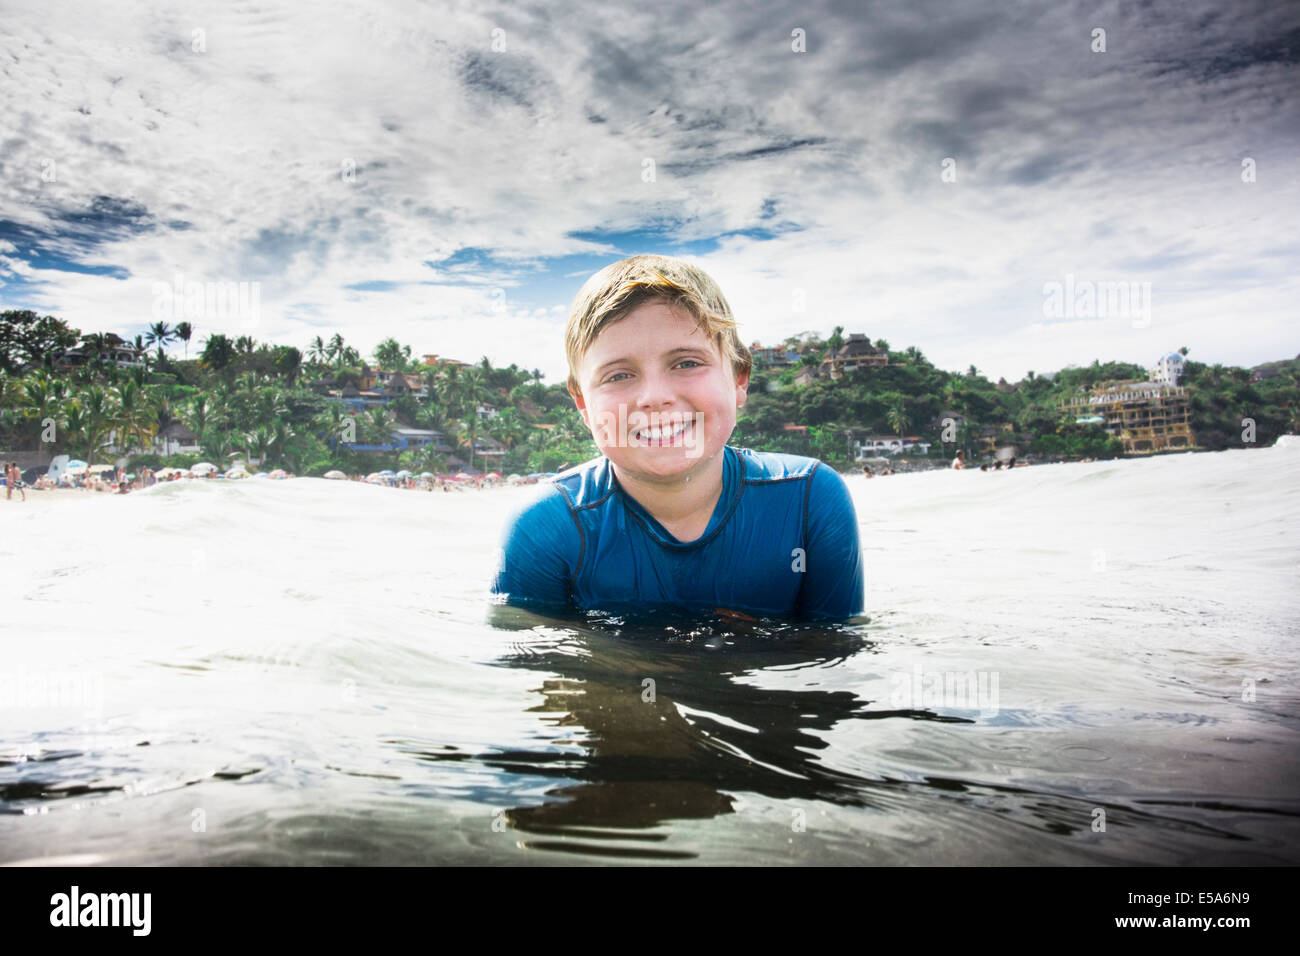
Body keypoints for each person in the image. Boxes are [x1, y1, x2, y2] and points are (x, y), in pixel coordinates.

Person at [491, 254, 865, 621]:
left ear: (739, 378)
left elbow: (832, 667)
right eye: (619, 375)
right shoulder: (547, 529)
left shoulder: (808, 500)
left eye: (686, 363)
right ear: (582, 404)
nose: (654, 397)